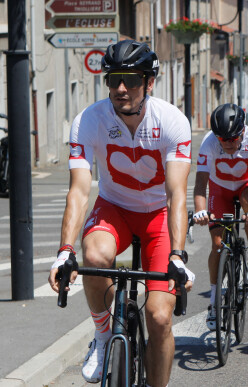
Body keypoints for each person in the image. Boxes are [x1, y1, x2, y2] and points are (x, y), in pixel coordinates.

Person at [47, 40, 194, 386]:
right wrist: (64, 251)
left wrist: (177, 254)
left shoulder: (172, 121)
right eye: (113, 80)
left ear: (149, 82)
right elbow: (80, 191)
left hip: (159, 215)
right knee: (94, 254)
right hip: (115, 208)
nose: (121, 88)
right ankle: (101, 334)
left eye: (130, 80)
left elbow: (176, 194)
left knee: (158, 317)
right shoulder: (89, 120)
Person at [192, 103, 248, 331]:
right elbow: (200, 185)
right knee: (217, 245)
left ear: (242, 132)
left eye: (233, 139)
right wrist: (200, 211)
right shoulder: (209, 144)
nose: (228, 144)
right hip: (220, 189)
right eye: (223, 139)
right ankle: (214, 302)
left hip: (246, 185)